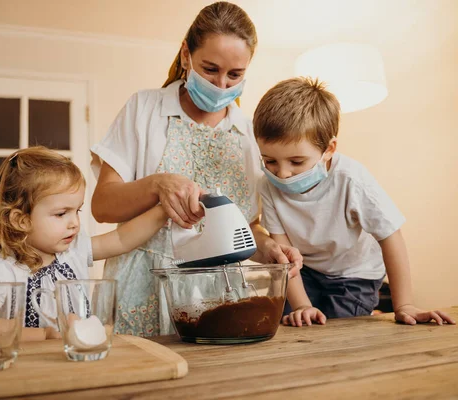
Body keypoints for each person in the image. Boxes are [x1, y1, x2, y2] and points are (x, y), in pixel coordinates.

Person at [90, 1, 302, 337]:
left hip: (220, 294)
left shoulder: (247, 133)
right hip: (142, 284)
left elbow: (247, 224)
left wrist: (268, 249)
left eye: (235, 75)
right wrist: (156, 184)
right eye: (210, 69)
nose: (221, 85)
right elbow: (102, 206)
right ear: (186, 56)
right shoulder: (144, 109)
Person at [253, 77, 456, 327]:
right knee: (286, 321)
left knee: (338, 330)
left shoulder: (351, 180)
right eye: (270, 161)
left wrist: (404, 305)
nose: (282, 174)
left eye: (296, 162)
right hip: (306, 274)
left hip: (354, 277)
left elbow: (390, 236)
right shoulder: (267, 185)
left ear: (329, 149)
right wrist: (303, 305)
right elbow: (284, 256)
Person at [0, 146, 169, 341]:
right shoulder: (0, 272)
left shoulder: (74, 251)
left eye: (77, 211)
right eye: (61, 214)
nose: (74, 223)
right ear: (21, 220)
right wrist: (45, 334)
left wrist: (164, 210)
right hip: (25, 369)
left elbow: (121, 239)